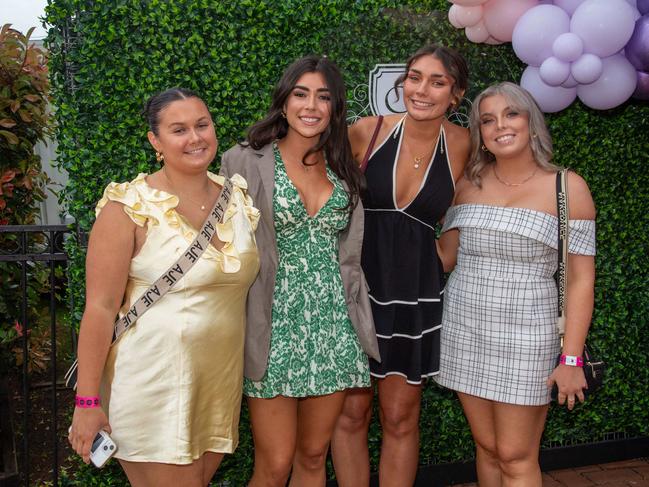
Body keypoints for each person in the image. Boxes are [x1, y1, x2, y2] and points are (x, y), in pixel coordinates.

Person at [68, 88, 260, 487]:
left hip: (216, 386)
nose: (195, 137)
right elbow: (100, 309)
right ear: (155, 140)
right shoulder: (129, 207)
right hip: (151, 385)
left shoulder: (236, 198)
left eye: (202, 125)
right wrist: (87, 402)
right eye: (179, 129)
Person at [220, 55, 379, 487]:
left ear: (334, 108)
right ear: (284, 101)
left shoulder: (342, 166)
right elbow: (219, 243)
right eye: (301, 93)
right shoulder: (244, 161)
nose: (311, 106)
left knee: (313, 456)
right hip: (271, 328)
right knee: (273, 465)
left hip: (332, 328)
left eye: (323, 97)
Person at [435, 81, 596, 486]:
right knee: (487, 447)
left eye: (511, 114)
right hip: (464, 330)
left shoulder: (567, 188)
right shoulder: (466, 185)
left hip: (528, 338)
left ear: (531, 122)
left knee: (516, 455)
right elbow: (445, 257)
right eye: (487, 120)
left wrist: (571, 359)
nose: (500, 126)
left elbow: (580, 280)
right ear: (480, 134)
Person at [331, 45, 471, 487]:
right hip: (357, 289)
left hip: (413, 293)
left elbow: (464, 216)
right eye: (414, 77)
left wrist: (442, 257)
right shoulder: (365, 132)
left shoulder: (465, 145)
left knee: (401, 416)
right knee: (351, 413)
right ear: (402, 82)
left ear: (456, 95)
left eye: (437, 81)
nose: (422, 89)